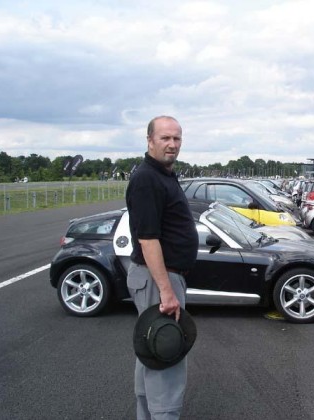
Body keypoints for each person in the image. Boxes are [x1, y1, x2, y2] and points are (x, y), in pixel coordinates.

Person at [126, 115, 199, 420]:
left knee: (152, 353)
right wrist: (166, 292)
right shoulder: (147, 178)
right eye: (165, 138)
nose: (172, 144)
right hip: (160, 280)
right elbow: (148, 239)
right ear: (150, 141)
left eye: (177, 139)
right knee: (166, 354)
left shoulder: (164, 175)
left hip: (163, 278)